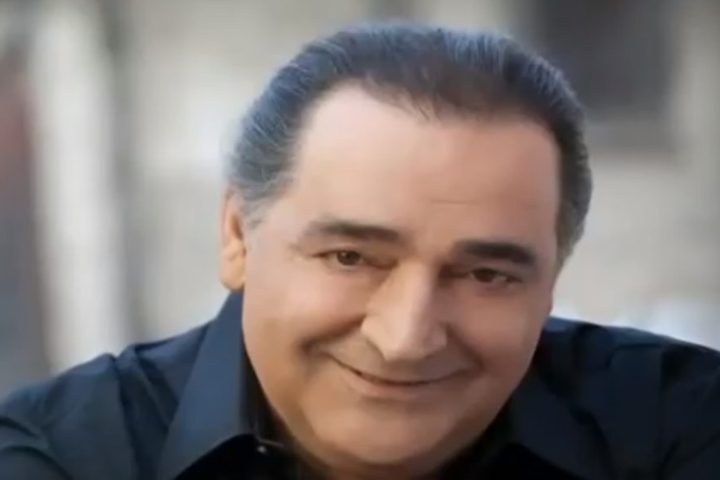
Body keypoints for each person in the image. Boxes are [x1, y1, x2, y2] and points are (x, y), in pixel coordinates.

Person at [1, 23, 719, 480]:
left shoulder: (679, 425)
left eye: (486, 274)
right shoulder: (63, 457)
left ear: (552, 278)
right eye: (351, 257)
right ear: (238, 237)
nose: (405, 338)